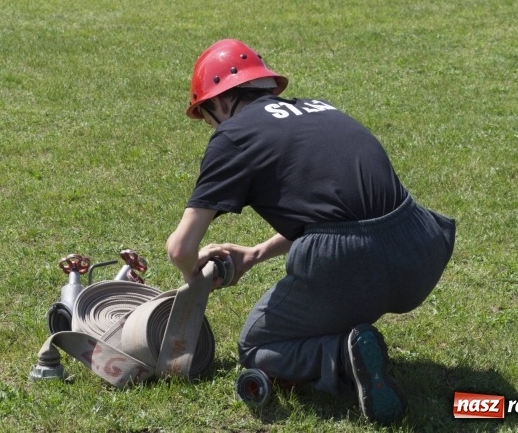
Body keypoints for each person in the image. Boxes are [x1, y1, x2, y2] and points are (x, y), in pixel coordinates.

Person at [166, 39, 456, 425]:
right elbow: (339, 209)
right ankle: (350, 339)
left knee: (257, 345)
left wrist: (194, 282)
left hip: (354, 264)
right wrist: (254, 254)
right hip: (421, 246)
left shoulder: (234, 134)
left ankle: (341, 355)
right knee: (348, 263)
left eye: (207, 115)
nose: (211, 125)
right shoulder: (323, 109)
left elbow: (180, 247)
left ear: (220, 102)